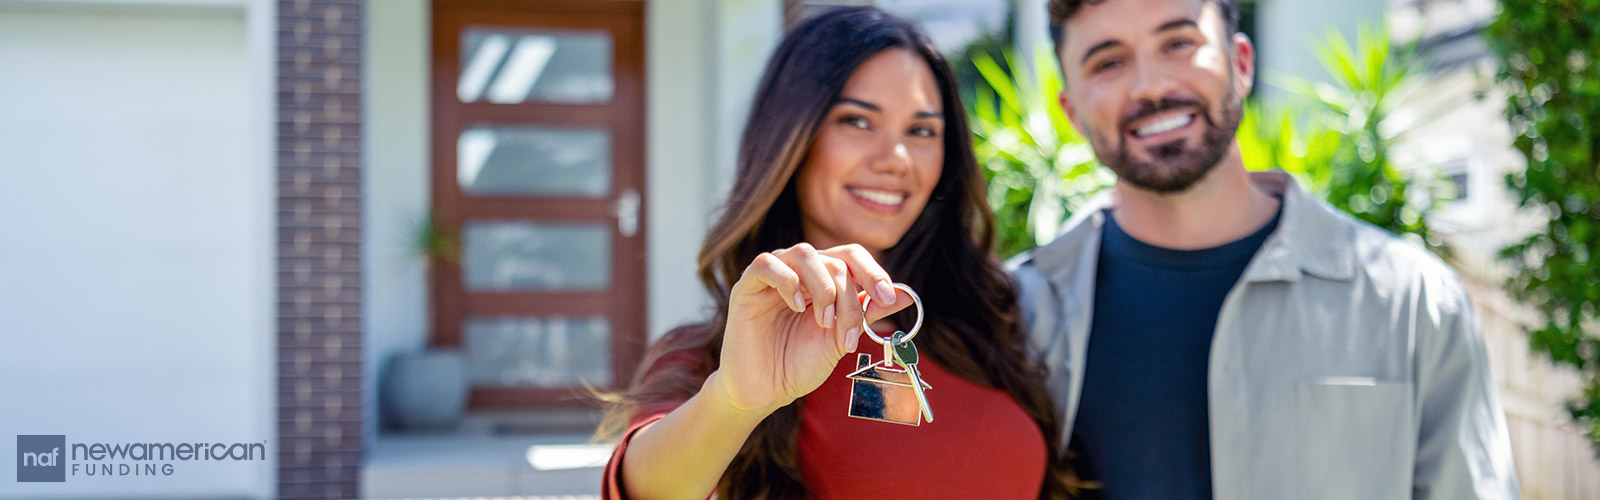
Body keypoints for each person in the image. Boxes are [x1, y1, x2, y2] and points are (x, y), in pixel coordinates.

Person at [1010, 0, 1523, 498]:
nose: (1153, 85)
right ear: (1072, 110)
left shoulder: (1412, 302)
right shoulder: (1015, 314)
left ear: (1241, 64)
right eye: (1110, 62)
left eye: (1179, 43)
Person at [597, 7, 1074, 500]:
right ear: (791, 140)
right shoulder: (716, 357)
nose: (896, 159)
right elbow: (643, 489)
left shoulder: (998, 321)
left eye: (922, 130)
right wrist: (736, 400)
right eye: (857, 121)